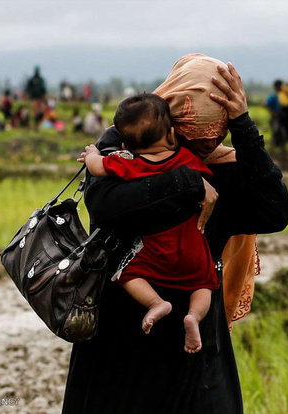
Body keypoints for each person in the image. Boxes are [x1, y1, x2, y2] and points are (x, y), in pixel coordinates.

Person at [62, 54, 288, 414]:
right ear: (170, 116)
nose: (204, 144)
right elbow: (103, 204)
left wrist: (244, 128)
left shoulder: (225, 168)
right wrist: (185, 181)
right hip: (122, 343)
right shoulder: (127, 140)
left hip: (197, 350)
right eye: (194, 133)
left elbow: (277, 212)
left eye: (215, 133)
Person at [79, 93, 219, 353]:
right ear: (171, 134)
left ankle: (156, 303)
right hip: (193, 245)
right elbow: (206, 174)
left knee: (127, 275)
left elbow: (97, 168)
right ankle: (194, 317)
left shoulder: (130, 162)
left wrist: (92, 154)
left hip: (155, 248)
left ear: (125, 144)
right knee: (204, 283)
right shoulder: (187, 161)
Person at [265, 79, 287, 158]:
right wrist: (272, 112)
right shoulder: (273, 95)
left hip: (279, 118)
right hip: (275, 119)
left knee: (281, 135)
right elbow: (265, 104)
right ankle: (272, 154)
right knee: (276, 134)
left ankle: (281, 154)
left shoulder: (278, 95)